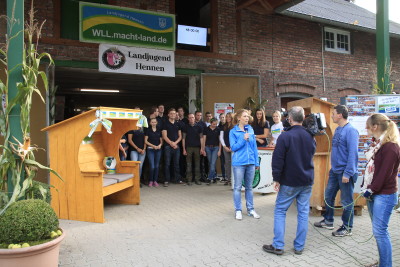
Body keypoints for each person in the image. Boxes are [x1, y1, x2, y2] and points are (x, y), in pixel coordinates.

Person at [262, 106, 316, 255]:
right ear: (303, 118)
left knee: (280, 210)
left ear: (290, 119)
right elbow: (312, 153)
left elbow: (277, 160)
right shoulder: (310, 135)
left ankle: (278, 245)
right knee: (303, 213)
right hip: (306, 180)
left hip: (289, 181)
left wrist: (276, 179)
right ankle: (299, 247)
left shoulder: (285, 136)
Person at [314, 105, 359, 237]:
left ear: (340, 115)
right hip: (335, 171)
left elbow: (353, 154)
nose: (332, 116)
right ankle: (328, 220)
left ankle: (347, 227)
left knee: (346, 201)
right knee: (328, 196)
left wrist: (348, 172)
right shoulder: (338, 129)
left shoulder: (351, 131)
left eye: (333, 113)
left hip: (345, 172)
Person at [361, 114, 400, 267]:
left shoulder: (390, 147)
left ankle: (386, 264)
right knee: (379, 233)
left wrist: (371, 190)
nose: (366, 129)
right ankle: (383, 262)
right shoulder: (380, 144)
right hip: (376, 194)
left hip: (384, 195)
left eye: (367, 126)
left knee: (380, 233)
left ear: (375, 126)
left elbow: (384, 173)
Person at [229, 109, 260, 220]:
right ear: (238, 118)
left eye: (248, 116)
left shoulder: (250, 129)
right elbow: (233, 147)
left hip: (251, 162)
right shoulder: (233, 131)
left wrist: (256, 162)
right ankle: (238, 210)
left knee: (249, 187)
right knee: (237, 187)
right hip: (239, 163)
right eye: (245, 116)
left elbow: (254, 147)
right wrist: (243, 139)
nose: (247, 118)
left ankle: (251, 209)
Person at [162, 108, 183, 186]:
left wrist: (175, 143)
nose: (172, 115)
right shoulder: (165, 124)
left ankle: (177, 179)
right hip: (168, 146)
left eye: (174, 113)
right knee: (167, 164)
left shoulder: (178, 124)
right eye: (171, 113)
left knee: (176, 164)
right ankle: (166, 180)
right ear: (168, 114)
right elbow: (164, 136)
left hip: (176, 146)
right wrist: (171, 143)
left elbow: (180, 136)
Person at [182, 113, 203, 185]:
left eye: (193, 117)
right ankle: (189, 180)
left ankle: (197, 179)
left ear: (194, 118)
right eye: (190, 118)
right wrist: (184, 149)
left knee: (197, 164)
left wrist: (202, 148)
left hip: (197, 148)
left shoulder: (199, 127)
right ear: (188, 119)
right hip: (188, 148)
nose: (191, 119)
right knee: (188, 164)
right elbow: (183, 139)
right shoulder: (185, 127)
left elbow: (201, 138)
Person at [202, 117, 221, 185]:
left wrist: (219, 150)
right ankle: (214, 176)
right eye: (213, 124)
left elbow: (220, 140)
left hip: (216, 148)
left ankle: (209, 178)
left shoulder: (218, 129)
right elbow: (204, 139)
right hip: (208, 148)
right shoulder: (206, 129)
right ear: (210, 123)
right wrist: (203, 149)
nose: (215, 125)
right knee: (211, 163)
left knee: (212, 163)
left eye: (216, 124)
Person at [145, 118, 163, 187]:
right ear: (150, 123)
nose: (153, 123)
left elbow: (161, 141)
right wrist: (153, 146)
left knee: (157, 166)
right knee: (152, 166)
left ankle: (155, 181)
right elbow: (146, 141)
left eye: (154, 122)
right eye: (152, 122)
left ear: (156, 123)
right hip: (150, 150)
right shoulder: (148, 130)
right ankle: (150, 180)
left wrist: (160, 145)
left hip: (158, 150)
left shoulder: (159, 130)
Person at [220, 112, 234, 185]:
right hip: (225, 147)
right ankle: (228, 179)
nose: (228, 118)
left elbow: (235, 138)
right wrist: (224, 146)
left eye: (229, 117)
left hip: (233, 148)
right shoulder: (224, 126)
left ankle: (233, 179)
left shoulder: (235, 126)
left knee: (233, 163)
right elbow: (221, 137)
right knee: (227, 163)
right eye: (227, 117)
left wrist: (232, 147)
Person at [218, 113, 227, 181]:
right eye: (221, 117)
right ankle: (224, 176)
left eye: (223, 117)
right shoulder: (218, 127)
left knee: (228, 162)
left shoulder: (228, 125)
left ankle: (228, 176)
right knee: (222, 162)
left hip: (228, 146)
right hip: (221, 146)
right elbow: (219, 138)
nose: (222, 119)